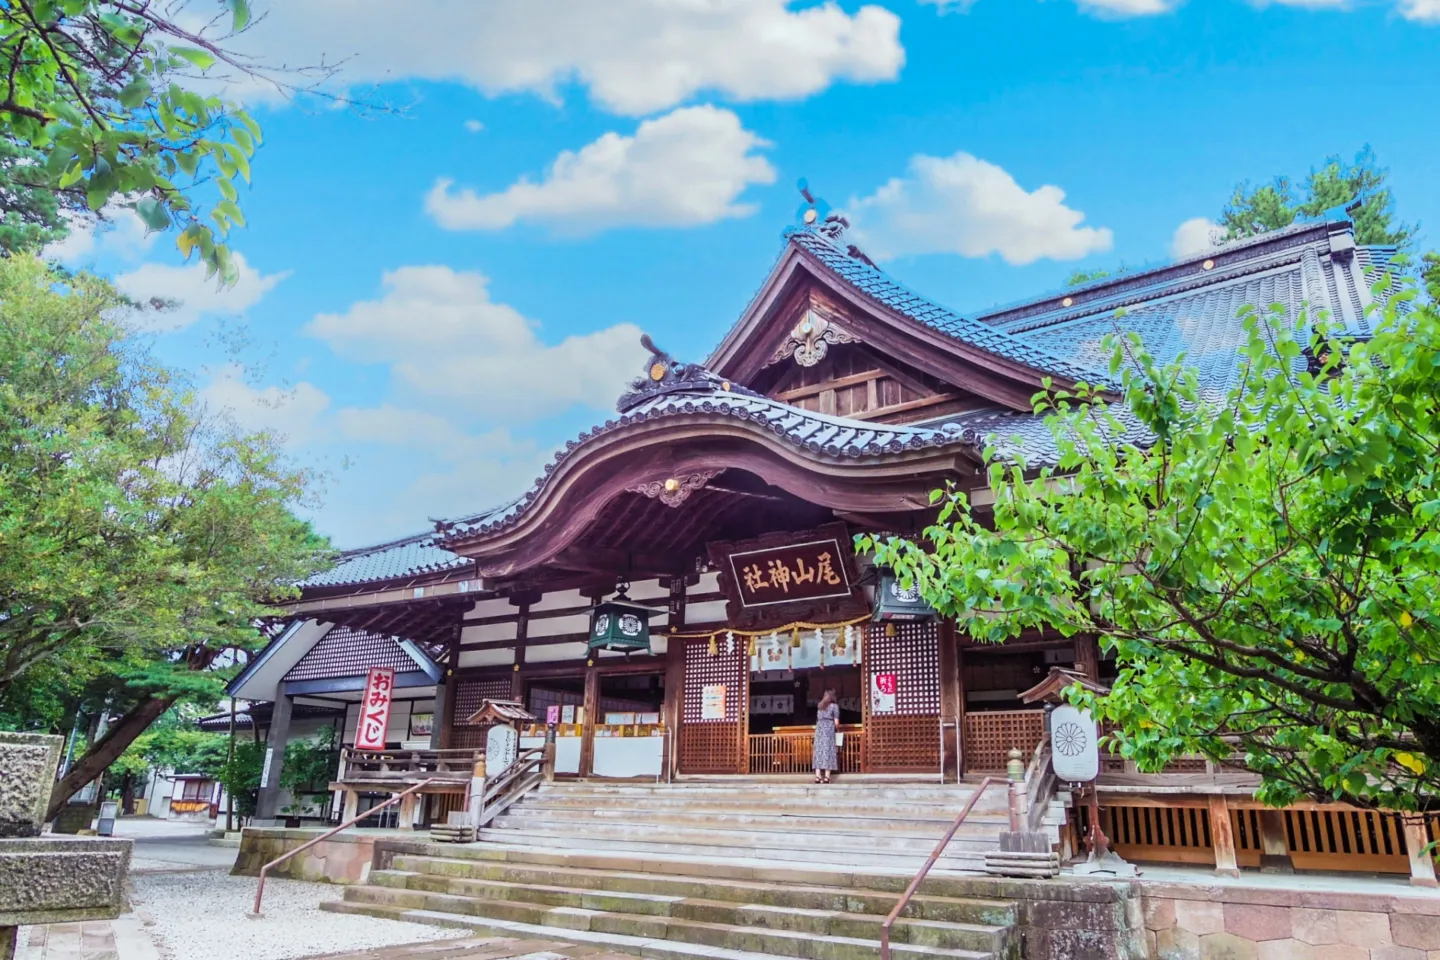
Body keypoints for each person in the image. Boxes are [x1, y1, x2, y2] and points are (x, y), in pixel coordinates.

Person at [813, 688, 840, 784]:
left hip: (819, 729)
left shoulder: (820, 706)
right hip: (828, 730)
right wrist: (838, 729)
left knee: (819, 751)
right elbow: (836, 722)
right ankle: (827, 777)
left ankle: (818, 776)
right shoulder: (834, 706)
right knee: (828, 751)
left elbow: (818, 718)